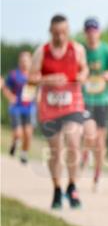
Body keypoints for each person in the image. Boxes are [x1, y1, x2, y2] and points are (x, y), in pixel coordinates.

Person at [29, 14, 89, 209]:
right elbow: (31, 78)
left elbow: (85, 70)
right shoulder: (42, 52)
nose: (60, 37)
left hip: (73, 104)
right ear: (50, 32)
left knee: (73, 143)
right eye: (56, 33)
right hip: (49, 107)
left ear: (68, 32)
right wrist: (48, 80)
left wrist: (82, 76)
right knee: (56, 151)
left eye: (64, 33)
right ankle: (56, 189)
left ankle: (72, 187)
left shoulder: (77, 50)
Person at [80, 17, 108, 190]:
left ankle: (97, 175)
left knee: (100, 141)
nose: (92, 34)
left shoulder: (107, 50)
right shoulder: (80, 50)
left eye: (95, 30)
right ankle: (85, 153)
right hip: (85, 100)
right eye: (89, 30)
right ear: (85, 32)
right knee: (89, 134)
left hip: (103, 101)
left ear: (99, 32)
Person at [4, 50, 36, 165]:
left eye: (27, 61)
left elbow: (39, 89)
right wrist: (10, 97)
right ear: (19, 62)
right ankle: (15, 142)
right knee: (18, 133)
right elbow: (5, 87)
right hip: (16, 107)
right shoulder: (14, 75)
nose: (24, 63)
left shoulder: (34, 75)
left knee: (28, 133)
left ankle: (24, 153)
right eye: (22, 61)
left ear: (31, 62)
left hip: (29, 107)